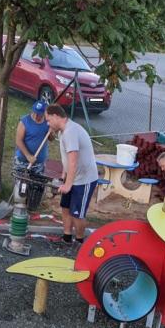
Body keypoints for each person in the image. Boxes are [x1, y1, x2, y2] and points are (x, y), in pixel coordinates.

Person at [45, 104, 98, 244]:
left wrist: (68, 185)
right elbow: (66, 158)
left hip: (84, 179)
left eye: (49, 120)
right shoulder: (63, 131)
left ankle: (80, 241)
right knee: (66, 208)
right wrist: (64, 175)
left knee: (77, 214)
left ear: (56, 116)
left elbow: (73, 160)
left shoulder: (70, 132)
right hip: (73, 177)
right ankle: (67, 237)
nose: (47, 123)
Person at [13, 101, 50, 174]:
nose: (36, 116)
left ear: (44, 114)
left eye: (39, 114)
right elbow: (18, 141)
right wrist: (28, 156)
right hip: (22, 162)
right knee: (21, 184)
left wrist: (51, 132)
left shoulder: (47, 122)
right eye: (35, 112)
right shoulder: (25, 121)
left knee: (37, 184)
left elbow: (51, 138)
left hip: (39, 163)